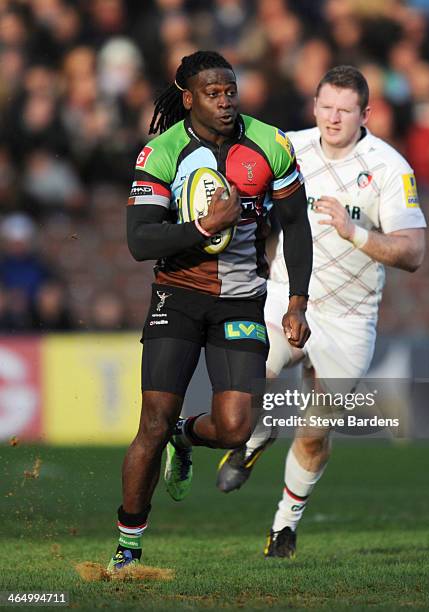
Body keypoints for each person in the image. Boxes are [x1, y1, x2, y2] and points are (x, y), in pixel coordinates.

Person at [108, 50, 312, 571]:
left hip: (242, 300)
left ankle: (187, 434)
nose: (225, 102)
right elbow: (139, 240)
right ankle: (129, 544)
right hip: (176, 298)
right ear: (189, 98)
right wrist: (203, 227)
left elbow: (297, 225)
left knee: (236, 427)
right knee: (151, 423)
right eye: (212, 93)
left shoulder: (271, 145)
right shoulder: (161, 153)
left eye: (230, 92)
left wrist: (296, 301)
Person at [215, 65, 426, 558]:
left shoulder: (390, 168)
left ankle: (284, 525)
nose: (334, 118)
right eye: (326, 107)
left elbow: (413, 253)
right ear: (314, 107)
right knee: (248, 381)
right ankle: (259, 434)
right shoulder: (288, 147)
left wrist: (356, 232)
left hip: (351, 319)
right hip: (288, 296)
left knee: (314, 431)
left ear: (365, 114)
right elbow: (245, 192)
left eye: (345, 110)